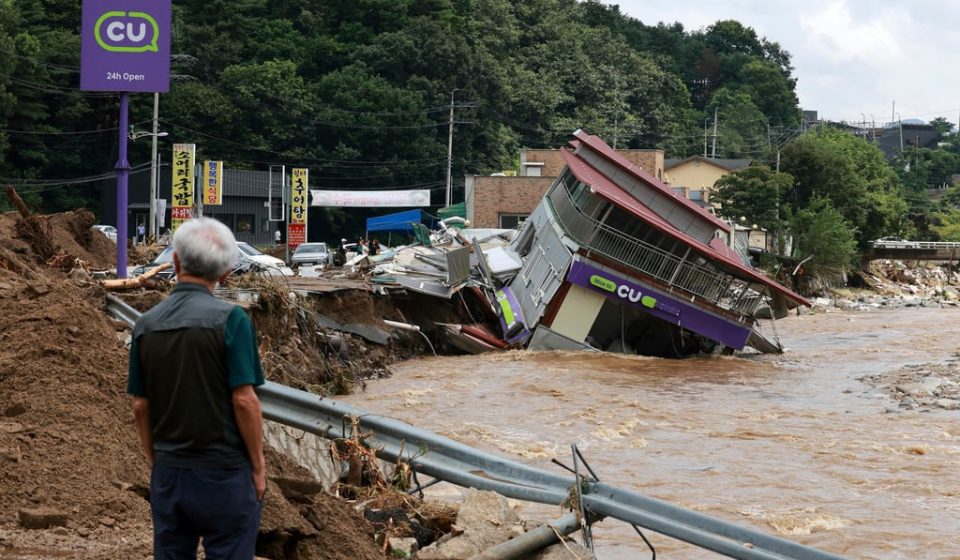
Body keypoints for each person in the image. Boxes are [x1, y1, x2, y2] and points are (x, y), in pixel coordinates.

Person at [128, 218, 266, 559]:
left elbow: (140, 407)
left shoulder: (146, 325)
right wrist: (259, 467)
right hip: (225, 474)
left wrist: (157, 461)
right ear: (226, 273)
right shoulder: (232, 320)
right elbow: (245, 401)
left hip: (170, 472)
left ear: (175, 262)